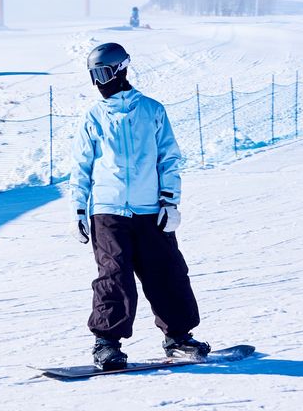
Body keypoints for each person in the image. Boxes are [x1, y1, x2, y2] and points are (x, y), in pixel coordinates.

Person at [69, 42, 210, 371]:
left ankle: (179, 338)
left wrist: (169, 202)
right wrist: (78, 209)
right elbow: (81, 167)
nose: (98, 83)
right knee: (114, 275)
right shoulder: (94, 116)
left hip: (150, 210)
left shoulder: (152, 111)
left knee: (167, 272)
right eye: (93, 75)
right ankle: (106, 344)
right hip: (107, 210)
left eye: (103, 73)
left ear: (121, 70)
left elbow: (168, 159)